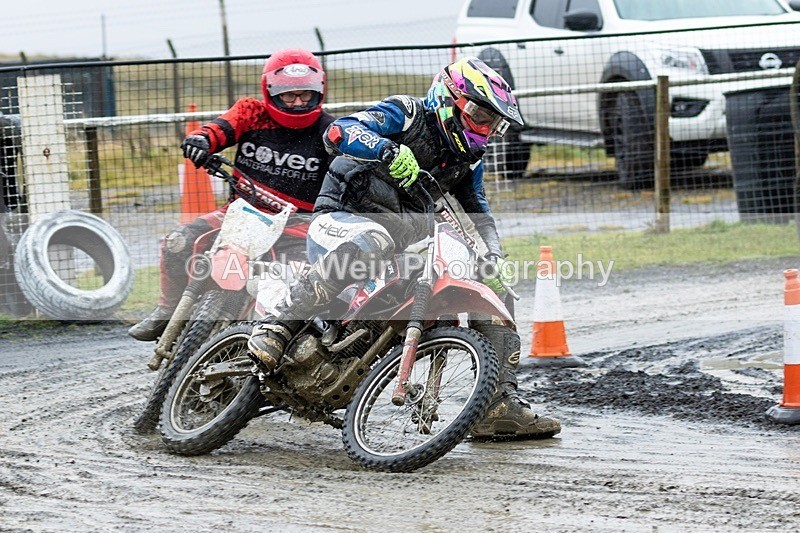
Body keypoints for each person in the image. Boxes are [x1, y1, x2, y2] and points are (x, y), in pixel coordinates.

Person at [248, 57, 560, 439]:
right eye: (479, 114)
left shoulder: (469, 160)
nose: (484, 129)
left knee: (492, 285)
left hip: (403, 243)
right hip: (341, 218)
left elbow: (479, 212)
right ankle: (278, 326)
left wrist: (493, 255)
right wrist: (386, 150)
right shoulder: (407, 113)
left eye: (493, 122)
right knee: (375, 239)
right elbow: (340, 131)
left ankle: (495, 406)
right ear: (449, 99)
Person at [129, 48, 336, 341]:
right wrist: (201, 140)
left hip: (298, 226)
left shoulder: (331, 131)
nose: (298, 102)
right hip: (239, 212)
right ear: (271, 91)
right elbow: (219, 129)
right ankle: (166, 310)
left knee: (300, 282)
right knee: (177, 243)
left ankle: (285, 344)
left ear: (320, 91)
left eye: (305, 94)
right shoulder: (251, 112)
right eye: (289, 95)